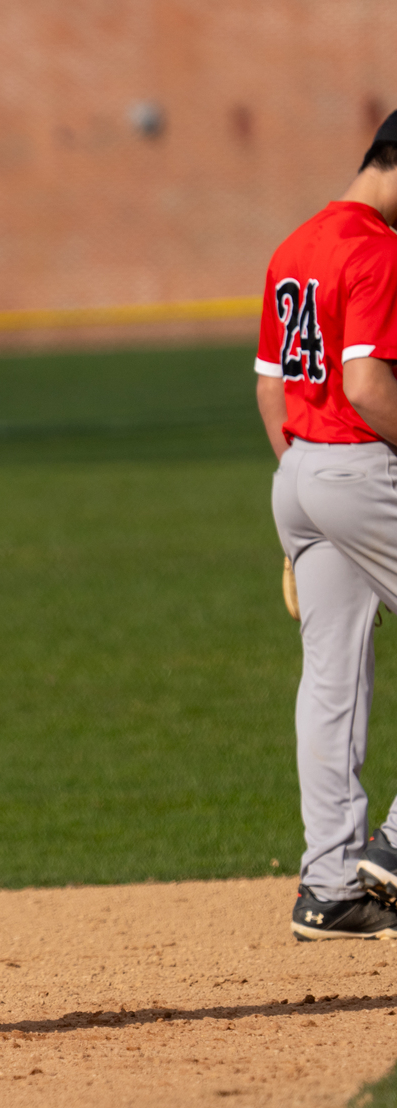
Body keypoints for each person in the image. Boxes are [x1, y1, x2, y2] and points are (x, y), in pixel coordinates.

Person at [259, 110, 397, 941]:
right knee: (333, 680)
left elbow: (273, 390)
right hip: (359, 465)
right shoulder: (378, 249)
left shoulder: (296, 246)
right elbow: (370, 385)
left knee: (331, 684)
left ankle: (331, 887)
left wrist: (299, 490)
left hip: (299, 470)